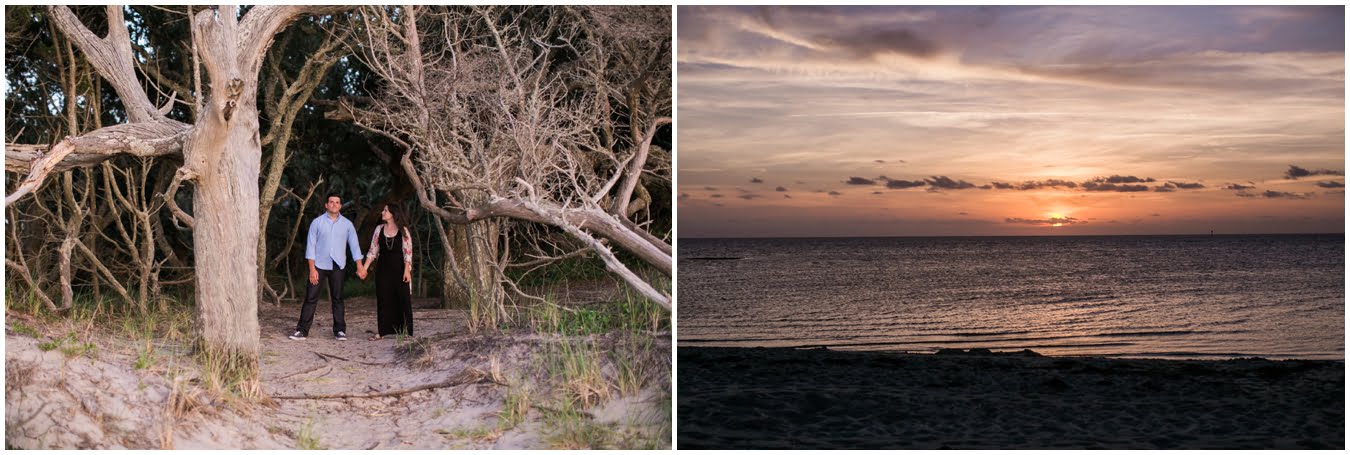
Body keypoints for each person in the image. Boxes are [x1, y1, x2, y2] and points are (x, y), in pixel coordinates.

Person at [290, 193, 363, 341]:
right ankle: (302, 330)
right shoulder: (317, 223)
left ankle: (340, 331)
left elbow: (354, 246)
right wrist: (312, 269)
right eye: (331, 202)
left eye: (337, 202)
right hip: (319, 266)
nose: (334, 204)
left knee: (338, 298)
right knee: (311, 298)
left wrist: (360, 266)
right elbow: (311, 247)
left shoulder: (347, 225)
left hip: (338, 265)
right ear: (326, 205)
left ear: (340, 206)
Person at [357, 204, 414, 340]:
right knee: (384, 299)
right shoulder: (379, 229)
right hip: (383, 269)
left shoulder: (403, 230)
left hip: (400, 269)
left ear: (393, 214)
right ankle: (383, 331)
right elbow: (373, 250)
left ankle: (406, 332)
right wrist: (364, 268)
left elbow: (408, 252)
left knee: (403, 299)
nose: (383, 212)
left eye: (386, 210)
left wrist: (407, 271)